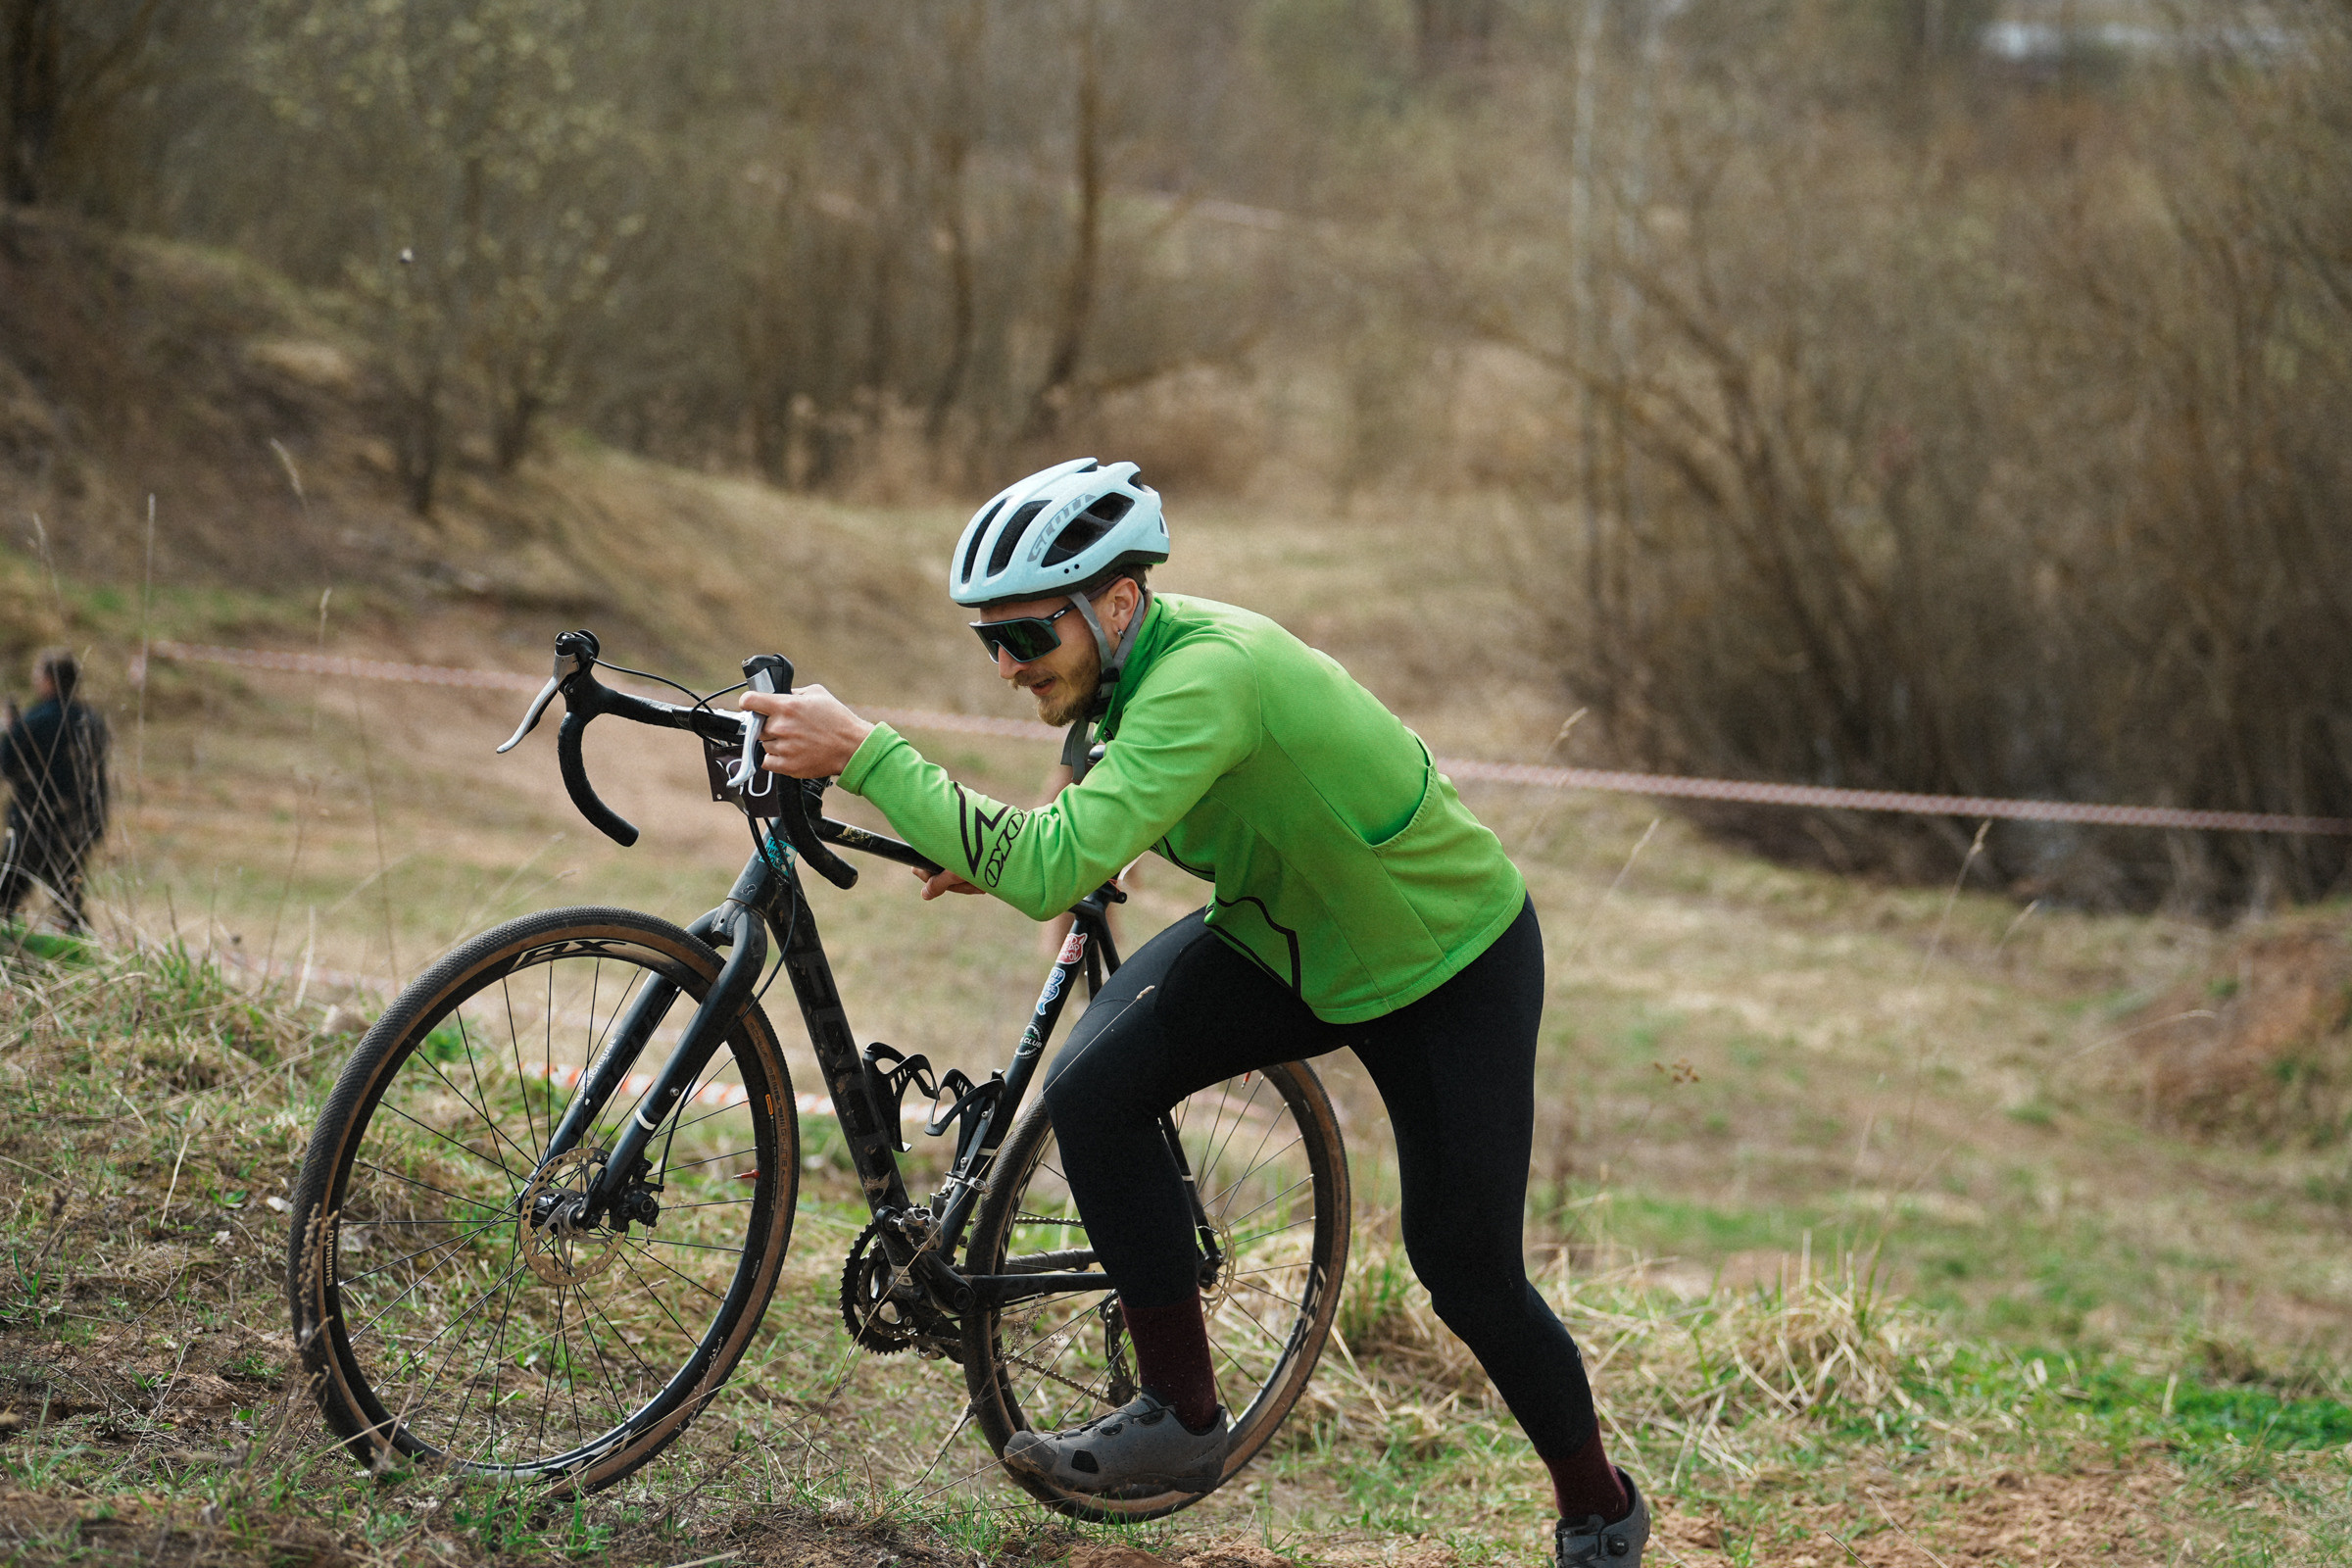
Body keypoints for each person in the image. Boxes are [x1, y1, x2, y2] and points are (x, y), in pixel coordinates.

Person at [744, 460, 1649, 1567]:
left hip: (1446, 963)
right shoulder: (1125, 678)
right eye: (989, 639)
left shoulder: (1208, 675)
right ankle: (1181, 1416)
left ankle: (1599, 1508)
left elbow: (1051, 864)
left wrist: (870, 755)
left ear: (1117, 601)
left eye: (1028, 637)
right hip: (1288, 934)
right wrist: (1029, 851)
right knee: (1095, 1089)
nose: (1006, 667)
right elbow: (1082, 826)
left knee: (1466, 1271)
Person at [1, 647, 111, 935]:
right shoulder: (91, 720)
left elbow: (7, 763)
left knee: (6, 892)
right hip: (79, 824)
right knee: (69, 896)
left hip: (33, 825)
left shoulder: (37, 719)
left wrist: (10, 729)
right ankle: (81, 947)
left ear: (49, 679)